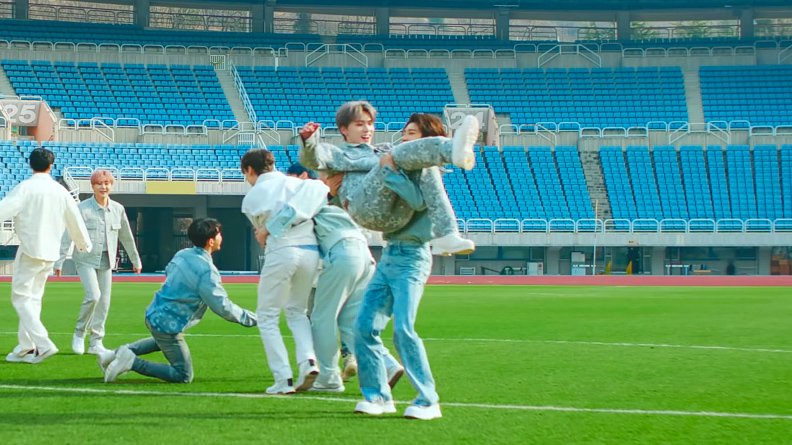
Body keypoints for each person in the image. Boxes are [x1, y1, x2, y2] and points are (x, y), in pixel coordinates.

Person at [265, 163, 404, 393]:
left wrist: (266, 230)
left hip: (343, 253)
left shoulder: (310, 192)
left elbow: (291, 214)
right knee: (352, 324)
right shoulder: (331, 199)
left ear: (304, 176)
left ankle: (329, 377)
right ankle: (387, 365)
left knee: (321, 320)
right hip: (365, 256)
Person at [350, 118, 447, 421]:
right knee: (363, 327)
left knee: (404, 329)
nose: (404, 139)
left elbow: (417, 202)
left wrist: (389, 170)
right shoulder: (403, 168)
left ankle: (428, 400)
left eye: (412, 134)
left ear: (427, 141)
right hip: (390, 254)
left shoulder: (427, 171)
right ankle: (377, 396)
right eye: (404, 133)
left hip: (413, 257)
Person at [299, 102, 479, 256]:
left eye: (370, 124)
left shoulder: (383, 149)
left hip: (397, 216)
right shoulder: (336, 153)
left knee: (422, 164)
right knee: (395, 154)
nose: (367, 129)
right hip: (362, 208)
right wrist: (309, 141)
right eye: (360, 124)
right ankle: (452, 149)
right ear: (344, 129)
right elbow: (312, 159)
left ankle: (446, 235)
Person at [100, 218, 257, 383]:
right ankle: (131, 362)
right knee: (183, 375)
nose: (221, 237)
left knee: (162, 341)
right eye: (219, 234)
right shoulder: (207, 271)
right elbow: (223, 307)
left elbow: (169, 272)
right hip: (168, 324)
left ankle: (113, 355)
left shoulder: (183, 253)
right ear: (211, 241)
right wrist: (254, 318)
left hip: (154, 313)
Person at [0, 147, 92, 364]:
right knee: (33, 299)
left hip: (30, 250)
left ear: (30, 165)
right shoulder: (61, 191)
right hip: (50, 252)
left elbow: (3, 210)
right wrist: (83, 245)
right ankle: (26, 346)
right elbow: (75, 220)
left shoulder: (25, 188)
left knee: (21, 298)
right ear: (51, 166)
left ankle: (42, 343)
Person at [241, 150, 321, 395]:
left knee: (267, 316)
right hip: (311, 251)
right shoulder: (301, 184)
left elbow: (261, 235)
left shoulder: (252, 197)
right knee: (298, 312)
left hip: (281, 250)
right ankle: (308, 361)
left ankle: (282, 378)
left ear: (249, 170)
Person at [54, 169, 142, 356]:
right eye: (99, 184)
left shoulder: (118, 209)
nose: (103, 187)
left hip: (107, 260)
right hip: (85, 259)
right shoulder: (82, 209)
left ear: (112, 186)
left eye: (107, 183)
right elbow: (69, 234)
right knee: (93, 296)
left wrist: (135, 260)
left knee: (104, 302)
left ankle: (96, 342)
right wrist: (59, 261)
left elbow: (126, 236)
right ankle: (79, 333)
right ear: (92, 186)